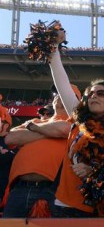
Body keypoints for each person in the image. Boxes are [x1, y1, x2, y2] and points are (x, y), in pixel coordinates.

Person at [46, 30, 104, 217]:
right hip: (63, 204)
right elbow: (61, 81)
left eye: (101, 93)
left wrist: (93, 171)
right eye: (90, 94)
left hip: (96, 209)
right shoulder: (78, 119)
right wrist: (54, 47)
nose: (94, 96)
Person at [2, 87, 75, 218]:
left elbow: (64, 129)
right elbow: (11, 138)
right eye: (58, 93)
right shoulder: (36, 121)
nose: (60, 96)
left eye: (65, 93)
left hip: (53, 190)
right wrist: (50, 132)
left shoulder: (76, 124)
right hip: (19, 188)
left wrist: (33, 129)